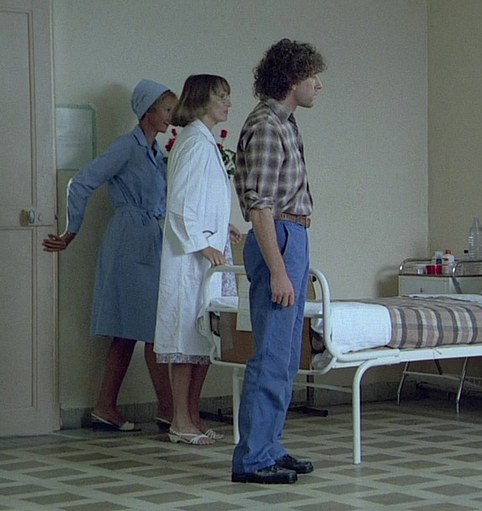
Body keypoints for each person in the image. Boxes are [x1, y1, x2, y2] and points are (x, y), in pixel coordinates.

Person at [42, 79, 176, 432]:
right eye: (166, 109)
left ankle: (106, 407)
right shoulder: (126, 147)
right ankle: (170, 410)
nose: (171, 116)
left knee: (129, 330)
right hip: (129, 242)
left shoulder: (158, 153)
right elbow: (81, 182)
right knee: (150, 328)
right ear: (147, 110)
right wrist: (72, 230)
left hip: (150, 240)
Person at [231, 39, 325, 484]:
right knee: (271, 354)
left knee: (286, 357)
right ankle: (252, 459)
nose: (318, 85)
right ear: (291, 79)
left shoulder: (286, 123)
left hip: (293, 234)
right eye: (312, 76)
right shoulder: (267, 126)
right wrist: (279, 269)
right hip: (280, 236)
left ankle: (269, 446)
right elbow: (260, 207)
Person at [154, 74, 240, 446]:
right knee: (186, 339)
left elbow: (203, 199)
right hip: (191, 258)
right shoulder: (192, 142)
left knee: (203, 338)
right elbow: (179, 204)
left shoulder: (204, 142)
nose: (228, 103)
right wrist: (202, 244)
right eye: (221, 96)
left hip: (206, 254)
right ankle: (179, 420)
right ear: (202, 100)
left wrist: (223, 226)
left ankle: (192, 414)